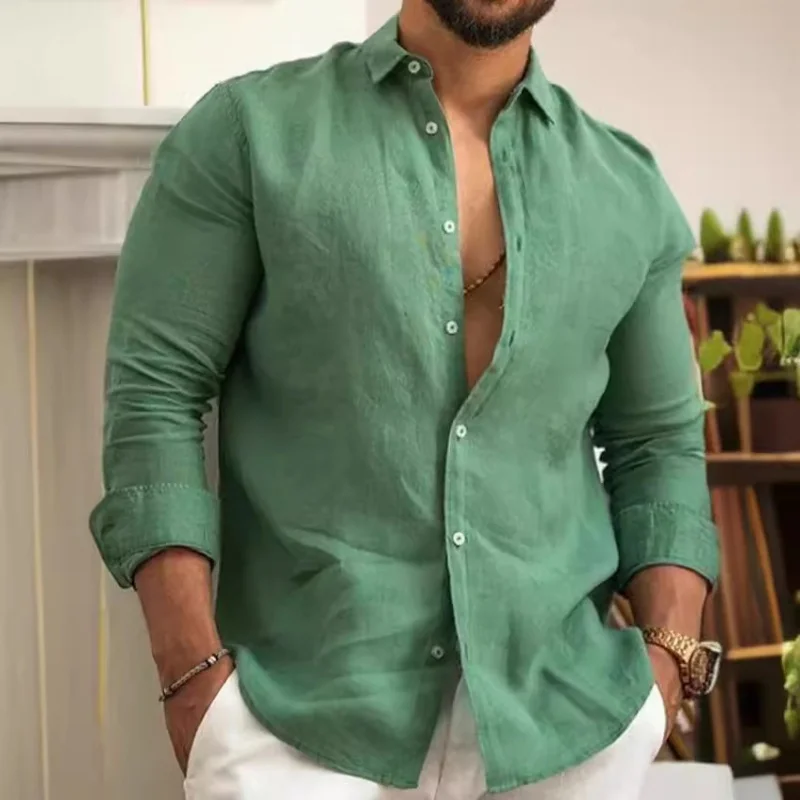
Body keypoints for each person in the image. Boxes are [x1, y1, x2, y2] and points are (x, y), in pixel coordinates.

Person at [89, 1, 722, 798]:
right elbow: (155, 394)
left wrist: (668, 663)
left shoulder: (625, 189)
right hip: (296, 728)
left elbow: (658, 446)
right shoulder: (251, 134)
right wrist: (191, 678)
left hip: (567, 732)